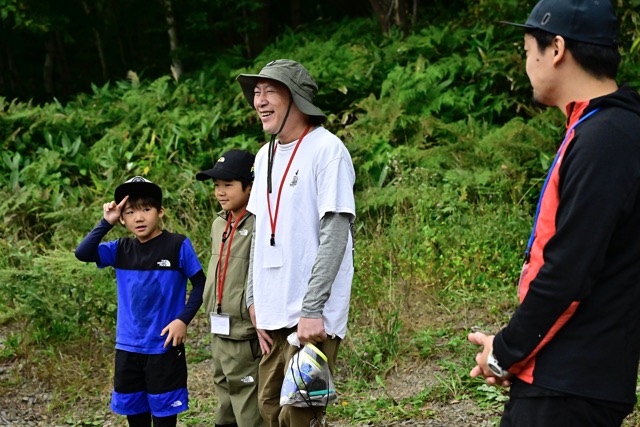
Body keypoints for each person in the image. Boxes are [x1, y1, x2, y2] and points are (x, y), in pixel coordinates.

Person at [467, 0, 640, 426]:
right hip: (569, 377)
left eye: (528, 52)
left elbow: (569, 272)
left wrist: (505, 352)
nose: (527, 64)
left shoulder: (605, 139)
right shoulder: (603, 129)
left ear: (557, 48)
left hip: (569, 387)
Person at [235, 59, 356, 426]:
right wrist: (254, 299)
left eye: (270, 90)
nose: (260, 101)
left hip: (311, 318)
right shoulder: (264, 155)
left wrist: (312, 308)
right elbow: (260, 230)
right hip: (272, 314)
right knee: (270, 408)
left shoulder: (327, 150)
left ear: (297, 99)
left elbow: (336, 231)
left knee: (300, 414)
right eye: (256, 92)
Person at [75, 176, 205, 427]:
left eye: (146, 209)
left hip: (164, 347)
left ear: (160, 212)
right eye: (130, 211)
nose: (139, 217)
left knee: (165, 420)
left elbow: (201, 284)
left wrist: (182, 320)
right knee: (136, 419)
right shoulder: (120, 249)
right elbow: (83, 252)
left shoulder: (177, 245)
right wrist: (106, 222)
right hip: (128, 348)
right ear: (122, 218)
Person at [195, 149, 265, 427]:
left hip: (245, 331)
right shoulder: (218, 223)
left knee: (248, 402)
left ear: (250, 186)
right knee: (224, 397)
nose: (220, 192)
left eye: (228, 185)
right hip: (219, 328)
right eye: (216, 186)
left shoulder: (260, 223)